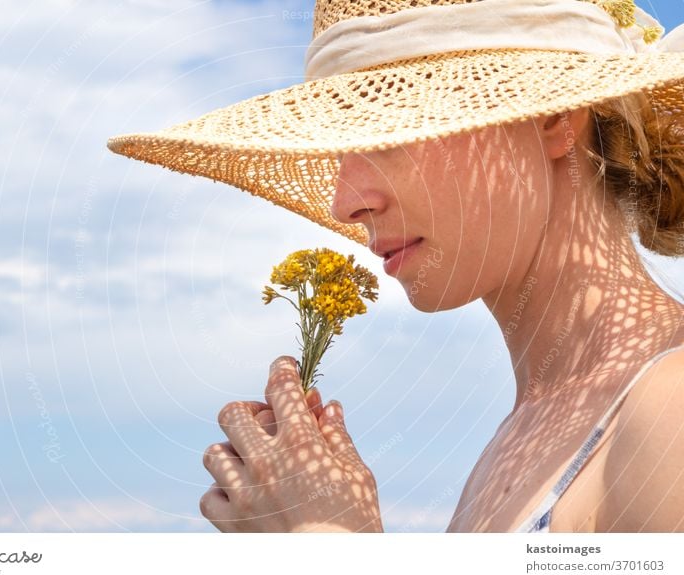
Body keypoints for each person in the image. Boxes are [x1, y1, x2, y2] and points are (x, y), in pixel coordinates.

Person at [108, 0, 684, 532]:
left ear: (554, 120)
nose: (344, 203)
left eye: (391, 134)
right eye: (339, 150)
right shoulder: (521, 435)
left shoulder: (670, 407)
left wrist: (325, 541)